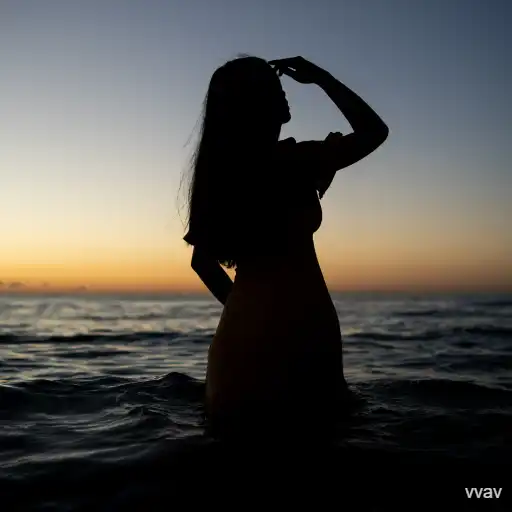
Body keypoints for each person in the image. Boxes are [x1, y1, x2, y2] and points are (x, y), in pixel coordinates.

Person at [183, 55, 388, 441]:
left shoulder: (224, 174)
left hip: (239, 340)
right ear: (257, 102)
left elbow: (202, 262)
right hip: (300, 338)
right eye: (275, 87)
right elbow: (374, 131)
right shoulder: (295, 161)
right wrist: (323, 77)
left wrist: (248, 312)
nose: (285, 92)